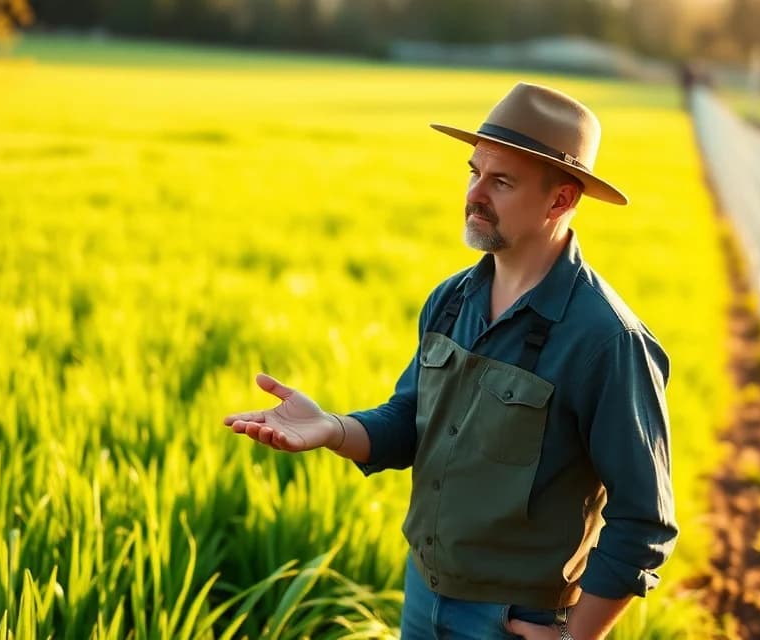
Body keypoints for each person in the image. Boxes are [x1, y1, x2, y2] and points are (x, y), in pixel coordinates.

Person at [223, 82, 677, 640]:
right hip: (423, 594)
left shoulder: (606, 340)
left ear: (560, 200)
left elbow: (643, 519)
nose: (475, 193)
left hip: (517, 620)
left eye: (501, 181)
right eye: (474, 172)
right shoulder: (452, 299)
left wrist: (575, 637)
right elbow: (412, 419)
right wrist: (333, 429)